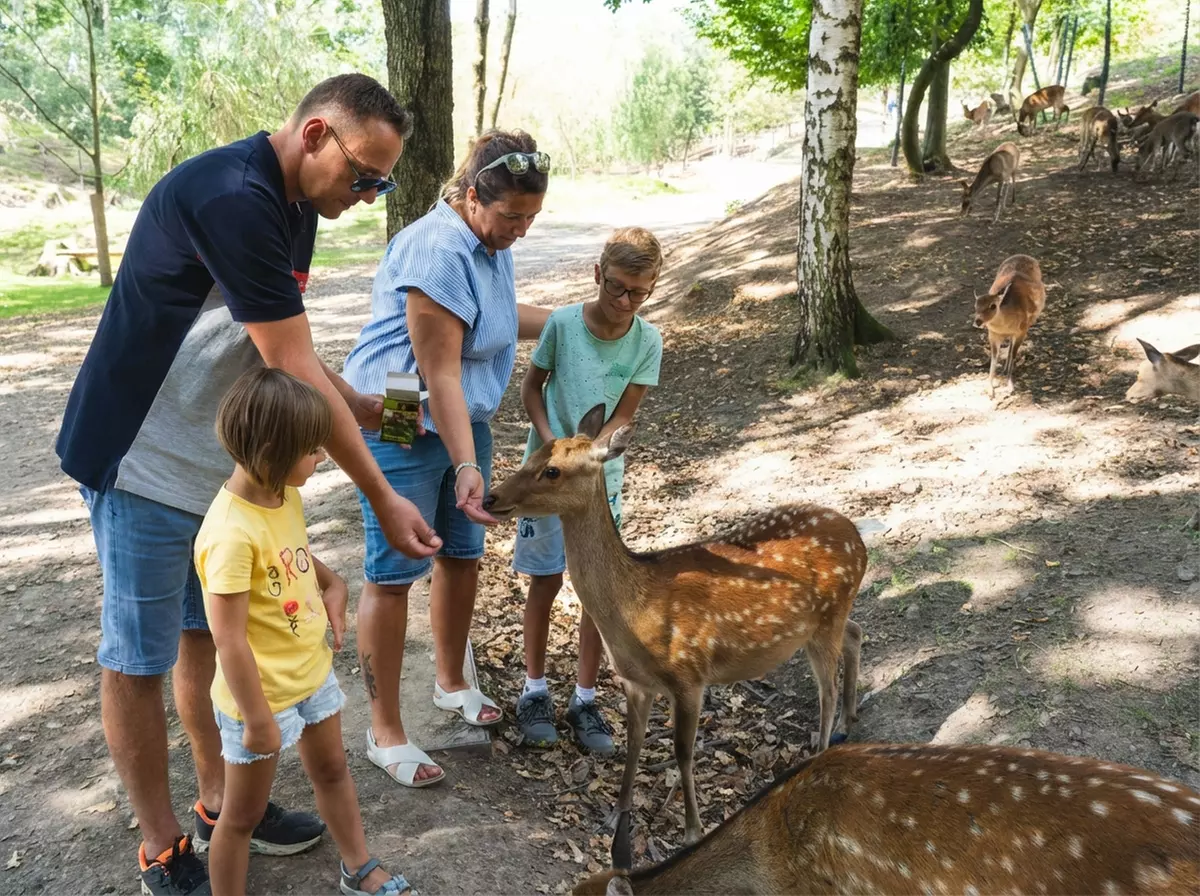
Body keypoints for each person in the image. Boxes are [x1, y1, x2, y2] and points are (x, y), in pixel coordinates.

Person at [55, 74, 441, 895]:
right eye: (364, 175)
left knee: (208, 639)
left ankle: (224, 800)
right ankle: (163, 847)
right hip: (140, 460)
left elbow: (276, 344)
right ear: (313, 136)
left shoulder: (298, 206)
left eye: (384, 183)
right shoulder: (232, 194)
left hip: (211, 468)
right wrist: (383, 496)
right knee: (139, 657)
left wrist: (366, 405)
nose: (369, 196)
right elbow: (289, 366)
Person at [341, 129, 552, 787]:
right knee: (398, 565)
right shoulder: (436, 250)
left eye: (530, 218)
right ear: (467, 195)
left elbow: (494, 318)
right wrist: (466, 465)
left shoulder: (489, 242)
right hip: (399, 405)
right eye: (511, 216)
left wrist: (576, 318)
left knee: (463, 551)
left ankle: (450, 680)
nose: (519, 230)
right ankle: (386, 731)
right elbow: (440, 374)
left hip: (466, 411)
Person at [197, 368, 411, 896]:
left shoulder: (279, 493)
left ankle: (358, 867)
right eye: (313, 451)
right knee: (243, 816)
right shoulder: (228, 534)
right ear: (273, 449)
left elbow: (291, 555)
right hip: (260, 699)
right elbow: (227, 639)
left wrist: (332, 582)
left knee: (334, 771)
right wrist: (256, 719)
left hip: (311, 678)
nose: (322, 459)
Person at [512, 227, 664, 755]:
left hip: (598, 485)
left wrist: (588, 459)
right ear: (597, 274)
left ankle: (584, 697)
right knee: (546, 579)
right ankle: (533, 691)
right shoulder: (562, 325)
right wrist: (556, 449)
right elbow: (532, 387)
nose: (625, 302)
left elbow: (625, 413)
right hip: (546, 477)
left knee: (597, 594)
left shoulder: (648, 340)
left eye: (638, 293)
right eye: (616, 288)